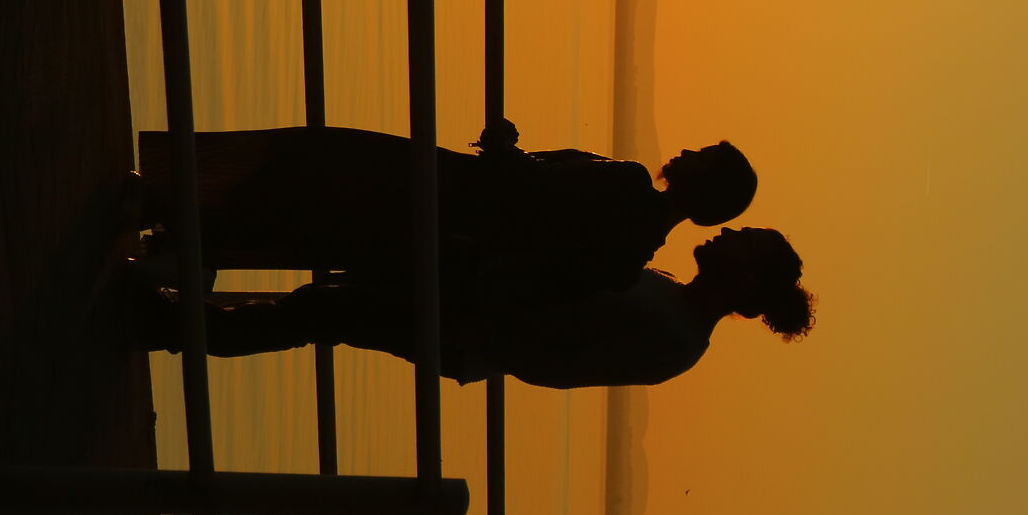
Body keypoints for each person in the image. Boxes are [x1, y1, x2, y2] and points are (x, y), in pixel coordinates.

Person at [130, 226, 813, 390]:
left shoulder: (673, 334)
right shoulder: (670, 301)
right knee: (324, 306)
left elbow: (560, 358)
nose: (725, 234)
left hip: (466, 332)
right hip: (468, 320)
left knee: (323, 311)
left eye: (739, 240)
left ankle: (168, 321)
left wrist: (483, 321)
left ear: (747, 282)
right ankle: (176, 314)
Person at [133, 122, 757, 301]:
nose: (688, 150)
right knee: (311, 225)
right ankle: (180, 239)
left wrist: (505, 147)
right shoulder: (629, 259)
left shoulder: (626, 186)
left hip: (444, 190)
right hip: (443, 249)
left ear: (702, 181)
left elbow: (531, 193)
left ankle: (163, 192)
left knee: (309, 159)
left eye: (703, 154)